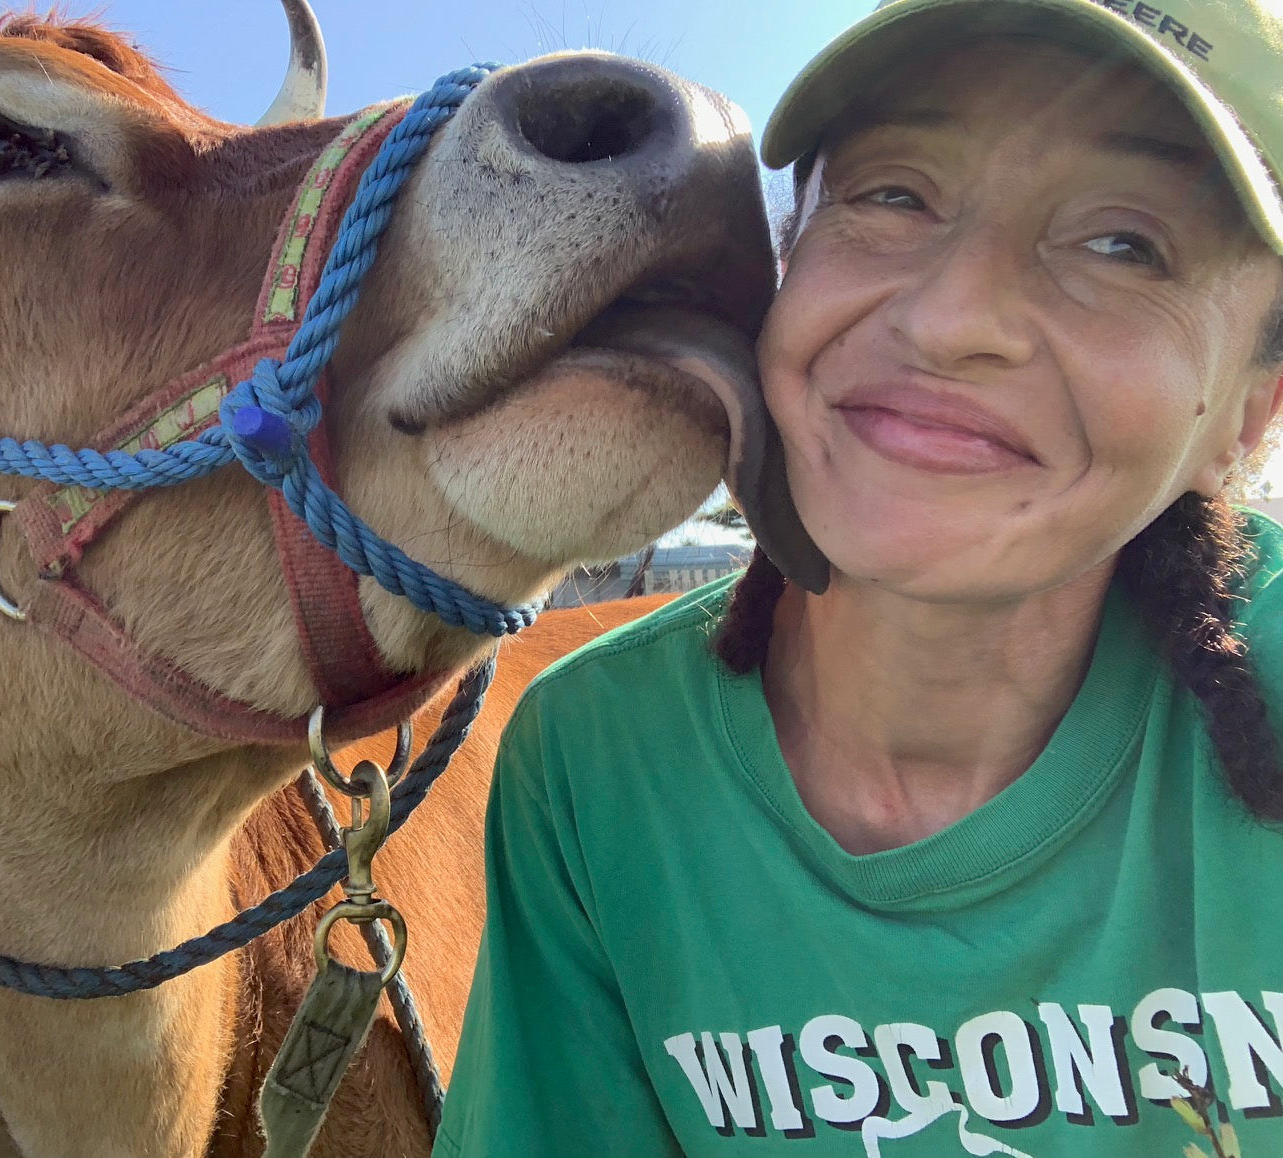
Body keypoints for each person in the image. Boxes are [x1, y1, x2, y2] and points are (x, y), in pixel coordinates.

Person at [433, 1, 1283, 1155]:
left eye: (1122, 244)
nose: (946, 320)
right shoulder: (594, 761)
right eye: (890, 195)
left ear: (1246, 411)